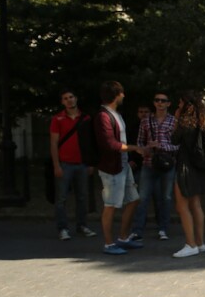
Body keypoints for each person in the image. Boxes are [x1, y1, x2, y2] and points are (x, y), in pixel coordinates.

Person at [93, 81, 143, 255]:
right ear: (115, 95)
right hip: (111, 168)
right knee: (111, 205)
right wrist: (134, 148)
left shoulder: (115, 114)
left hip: (123, 164)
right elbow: (110, 144)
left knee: (134, 199)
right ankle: (108, 243)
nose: (124, 96)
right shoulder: (103, 116)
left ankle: (123, 237)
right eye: (121, 93)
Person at [127, 92, 177, 242]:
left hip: (167, 164)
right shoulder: (146, 122)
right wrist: (144, 149)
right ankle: (137, 230)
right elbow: (140, 142)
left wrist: (162, 146)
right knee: (142, 198)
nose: (160, 103)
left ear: (168, 103)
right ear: (154, 103)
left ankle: (163, 228)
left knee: (166, 197)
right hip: (149, 163)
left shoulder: (174, 121)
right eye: (157, 100)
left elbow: (178, 145)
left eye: (163, 100)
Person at [49, 89, 97, 240]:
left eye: (71, 97)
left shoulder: (86, 118)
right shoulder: (58, 119)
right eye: (65, 98)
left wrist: (90, 163)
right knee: (62, 198)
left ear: (76, 99)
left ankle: (82, 225)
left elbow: (90, 142)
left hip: (82, 163)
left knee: (82, 197)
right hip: (65, 163)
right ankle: (62, 228)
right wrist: (56, 165)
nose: (69, 100)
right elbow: (54, 143)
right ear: (62, 102)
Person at [171, 90, 205, 257]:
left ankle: (190, 243)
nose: (178, 106)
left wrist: (176, 118)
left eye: (180, 103)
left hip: (185, 167)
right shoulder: (203, 121)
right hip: (198, 167)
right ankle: (200, 243)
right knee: (196, 204)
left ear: (186, 105)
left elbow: (174, 140)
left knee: (182, 206)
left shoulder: (185, 123)